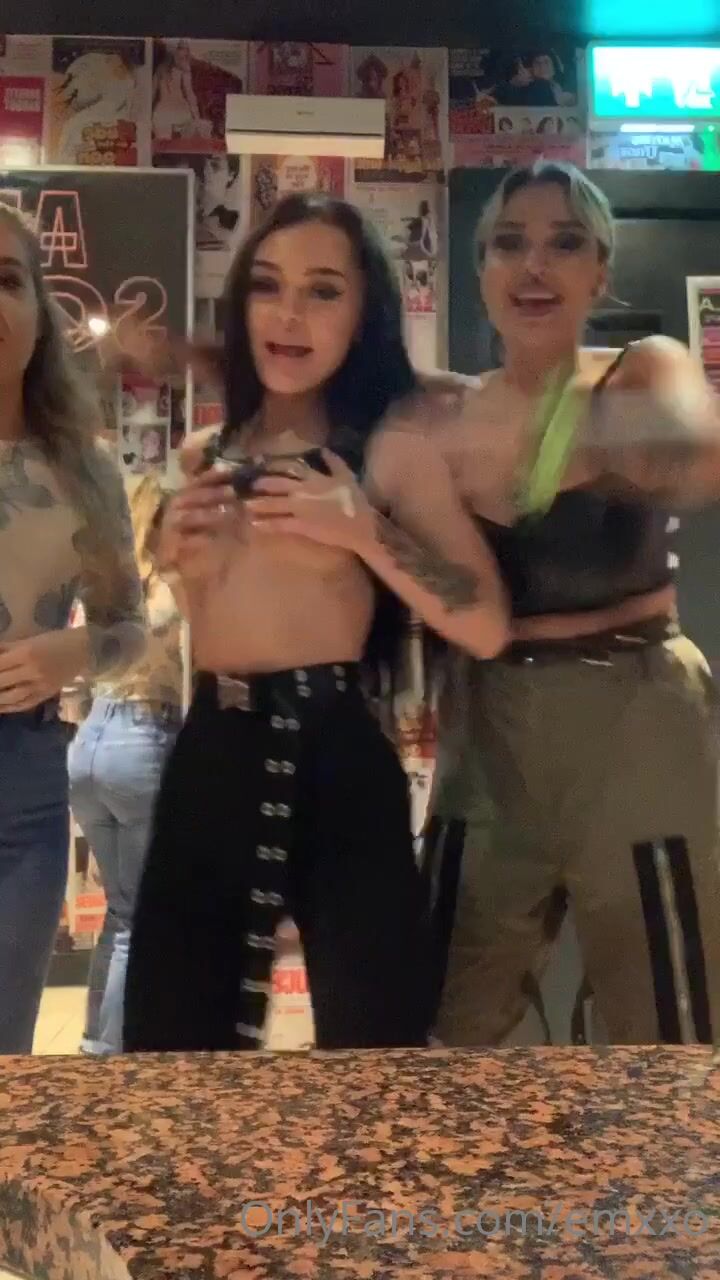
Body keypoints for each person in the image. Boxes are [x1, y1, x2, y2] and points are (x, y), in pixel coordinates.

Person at [123, 193, 508, 1054]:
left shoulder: (388, 451)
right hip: (212, 748)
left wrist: (365, 533)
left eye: (323, 290)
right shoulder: (202, 455)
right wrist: (176, 560)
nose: (289, 314)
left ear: (363, 312)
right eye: (268, 286)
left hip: (338, 755)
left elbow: (486, 624)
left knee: (376, 1050)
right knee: (172, 1046)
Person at [387, 161, 720, 1047]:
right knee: (446, 1017)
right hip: (490, 728)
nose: (534, 266)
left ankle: (670, 1149)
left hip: (638, 720)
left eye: (564, 243)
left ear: (600, 272)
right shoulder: (443, 410)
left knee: (670, 1019)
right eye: (510, 243)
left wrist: (588, 448)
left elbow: (696, 455)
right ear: (481, 270)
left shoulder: (643, 368)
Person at [0, 204, 145, 1054]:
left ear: (38, 308)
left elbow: (131, 629)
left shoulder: (82, 469)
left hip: (22, 783)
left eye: (6, 279)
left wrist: (75, 651)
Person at [68, 476, 182, 1056]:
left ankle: (95, 1045)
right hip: (141, 735)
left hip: (89, 740)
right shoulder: (169, 587)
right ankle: (115, 1059)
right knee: (138, 921)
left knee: (119, 914)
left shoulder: (106, 591)